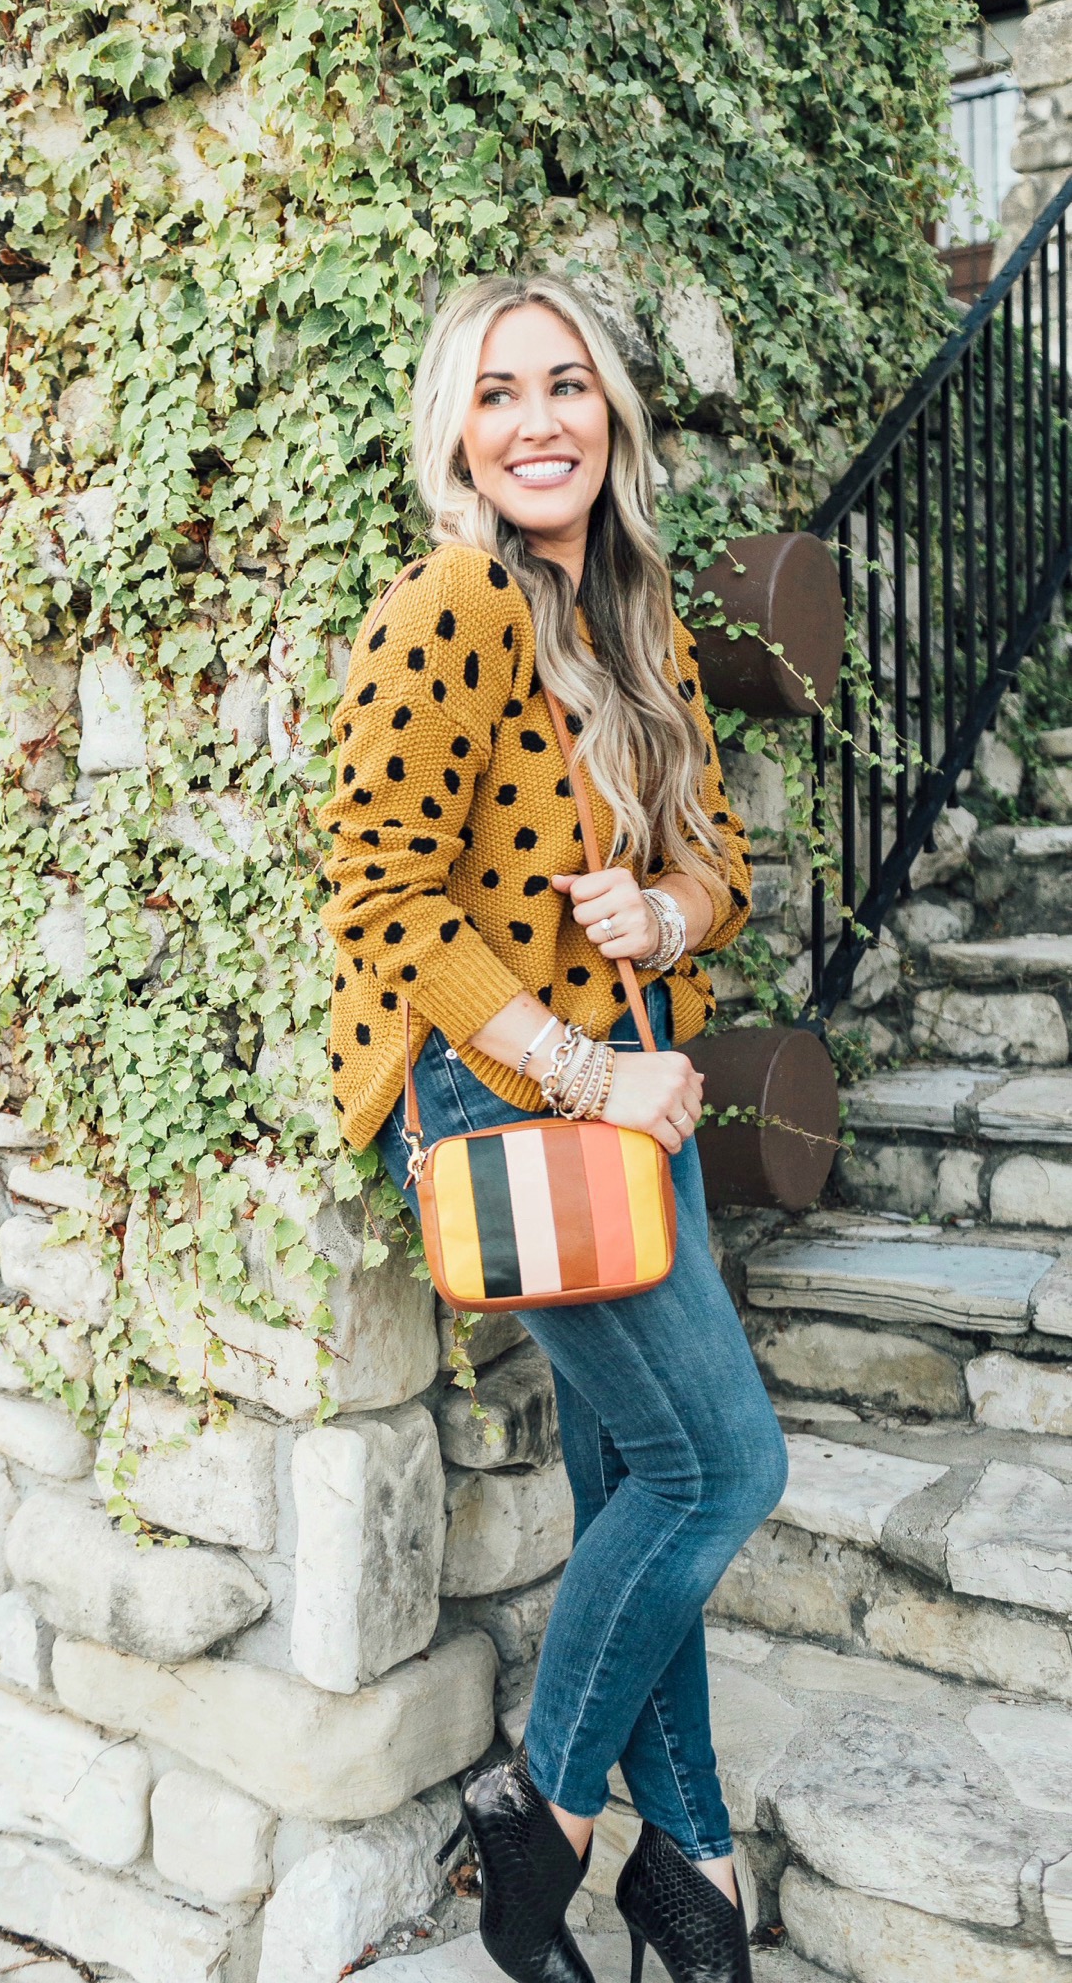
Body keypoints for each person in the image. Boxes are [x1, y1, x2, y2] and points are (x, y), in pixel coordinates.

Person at [317, 273, 788, 1983]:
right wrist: (594, 1078)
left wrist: (664, 921)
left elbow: (718, 865)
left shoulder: (633, 616)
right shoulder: (452, 596)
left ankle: (696, 1868)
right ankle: (545, 1807)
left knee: (630, 1471)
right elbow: (370, 896)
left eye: (566, 386)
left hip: (616, 1076)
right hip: (502, 1087)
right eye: (499, 392)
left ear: (610, 416)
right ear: (456, 427)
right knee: (721, 1464)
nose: (537, 420)